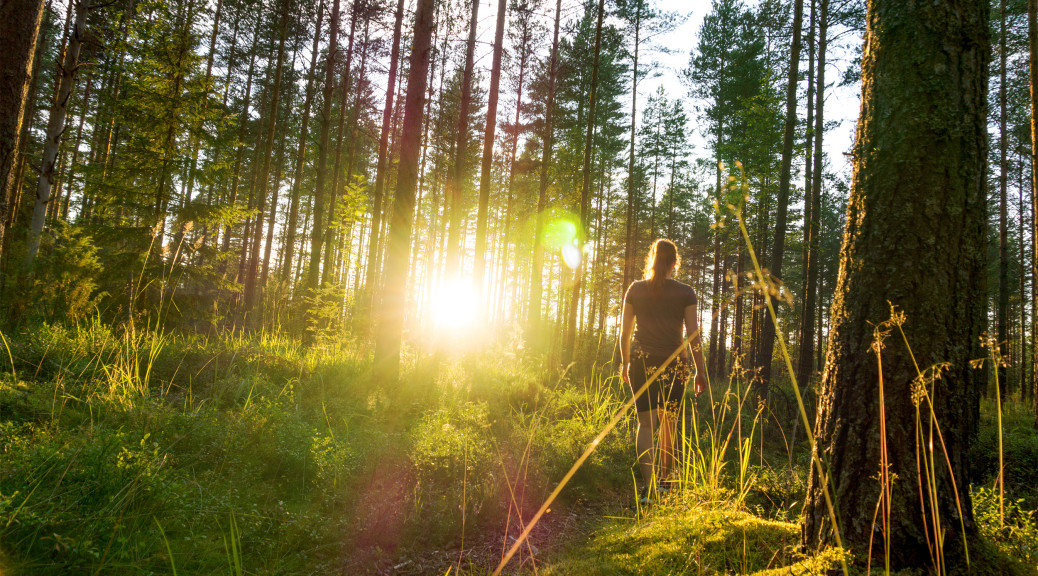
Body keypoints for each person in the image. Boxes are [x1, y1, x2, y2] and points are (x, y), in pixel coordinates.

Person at [619, 239, 707, 505]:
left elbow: (624, 333)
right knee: (669, 422)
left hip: (641, 363)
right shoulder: (685, 292)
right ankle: (666, 485)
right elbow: (693, 335)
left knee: (646, 424)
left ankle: (648, 489)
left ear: (652, 259)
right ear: (674, 263)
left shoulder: (635, 289)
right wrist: (699, 371)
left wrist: (625, 363)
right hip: (675, 365)